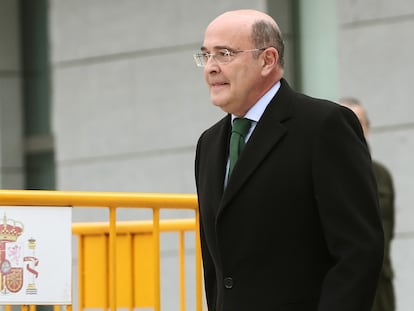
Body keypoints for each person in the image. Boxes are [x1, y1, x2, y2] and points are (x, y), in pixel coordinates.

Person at [193, 9, 384, 311]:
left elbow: (358, 252)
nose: (210, 68)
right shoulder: (209, 143)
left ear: (267, 60)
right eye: (206, 56)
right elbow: (218, 268)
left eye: (224, 54)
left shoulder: (324, 125)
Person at [339, 97, 396, 311]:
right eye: (343, 122)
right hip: (340, 285)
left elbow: (382, 229)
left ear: (368, 129)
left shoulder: (381, 175)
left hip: (379, 286)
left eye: (358, 122)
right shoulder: (321, 173)